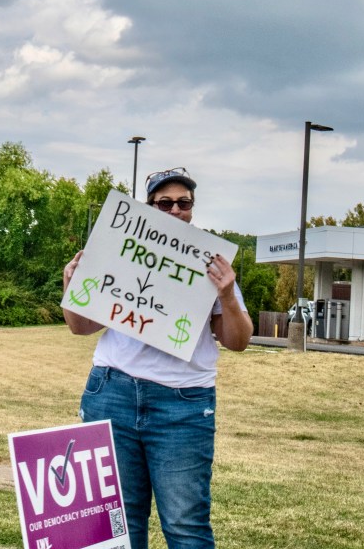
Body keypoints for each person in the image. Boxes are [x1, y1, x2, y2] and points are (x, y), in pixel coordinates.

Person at [62, 167, 254, 549]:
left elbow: (238, 340)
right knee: (116, 525)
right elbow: (80, 327)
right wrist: (72, 287)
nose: (175, 210)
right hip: (112, 392)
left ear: (192, 210)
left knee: (186, 526)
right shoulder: (118, 251)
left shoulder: (210, 264)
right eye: (164, 202)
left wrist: (228, 296)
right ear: (149, 208)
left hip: (182, 404)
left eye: (184, 203)